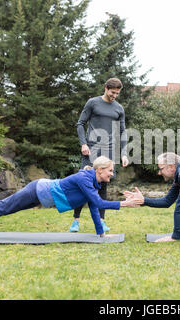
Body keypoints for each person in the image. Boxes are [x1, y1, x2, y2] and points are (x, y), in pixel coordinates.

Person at [0, 156, 140, 240]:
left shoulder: (94, 182)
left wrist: (101, 235)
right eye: (110, 171)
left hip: (41, 196)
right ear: (100, 169)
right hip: (37, 191)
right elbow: (98, 203)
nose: (112, 174)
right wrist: (125, 203)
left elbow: (94, 208)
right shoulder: (85, 178)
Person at [72, 78, 129, 233]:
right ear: (106, 88)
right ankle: (75, 221)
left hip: (108, 151)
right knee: (82, 184)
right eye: (112, 92)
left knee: (103, 186)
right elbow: (80, 124)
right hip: (91, 149)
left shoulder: (119, 108)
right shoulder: (93, 103)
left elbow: (123, 132)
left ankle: (102, 221)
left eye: (117, 93)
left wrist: (123, 154)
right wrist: (83, 143)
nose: (114, 96)